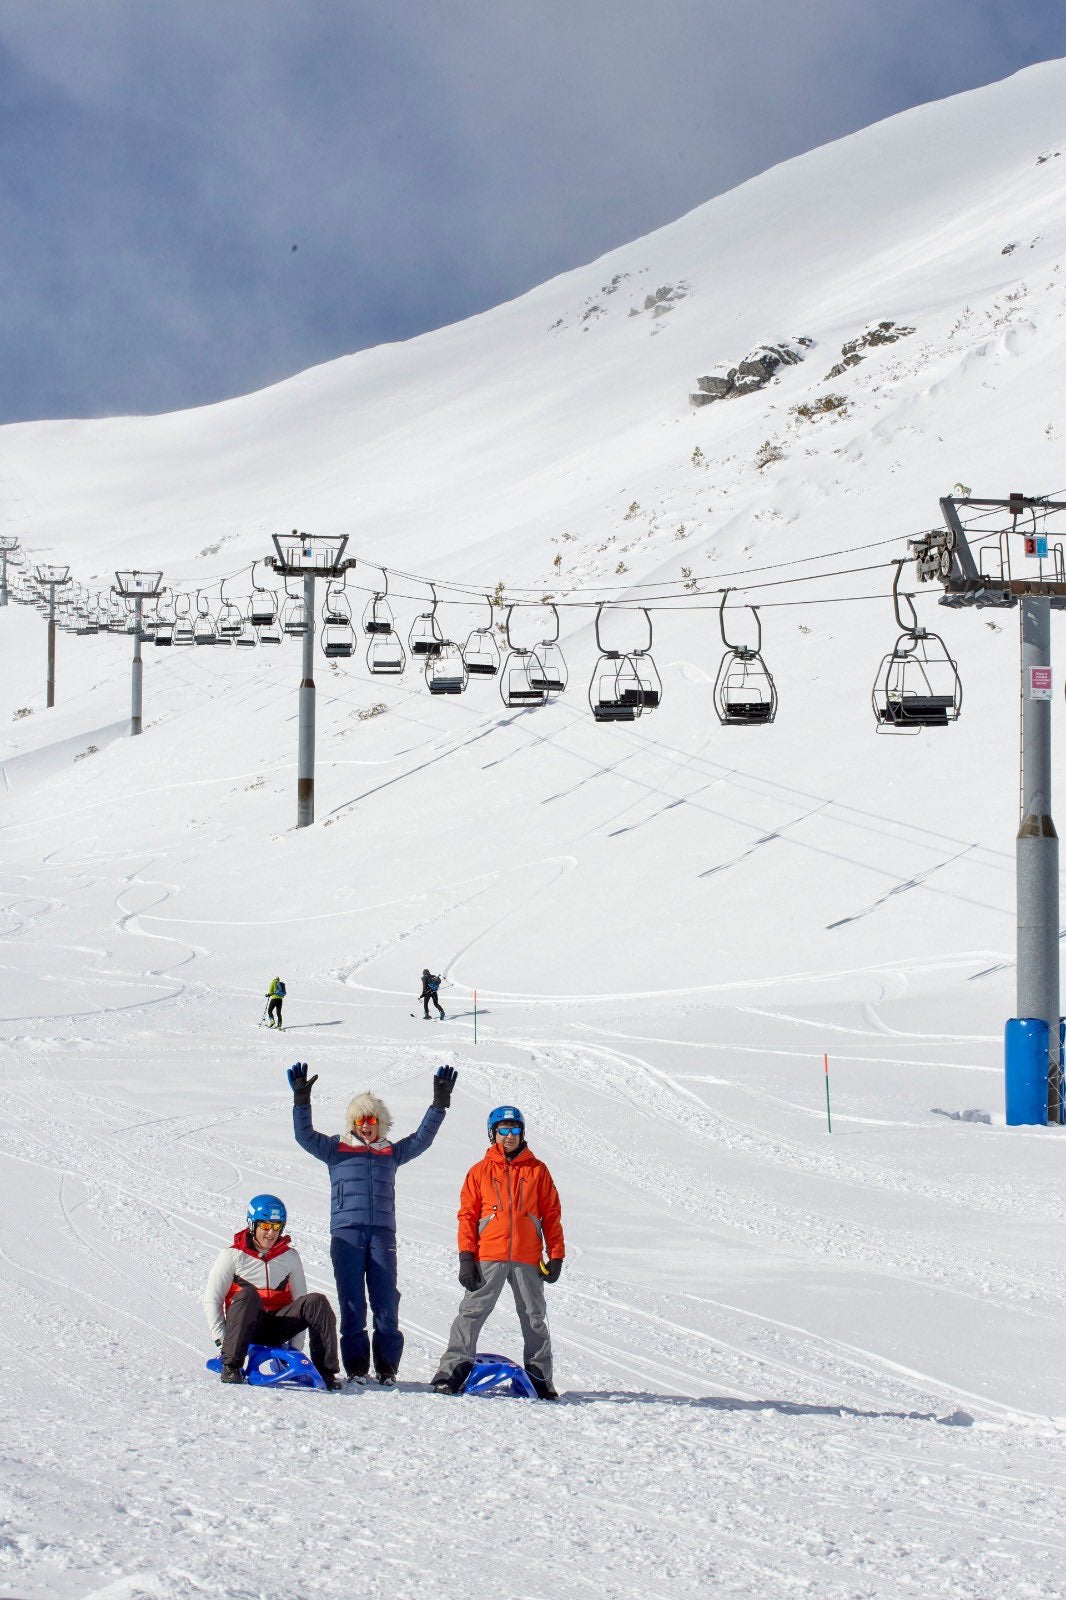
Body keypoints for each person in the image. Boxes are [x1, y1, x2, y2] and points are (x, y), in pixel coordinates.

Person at [288, 1060, 457, 1385]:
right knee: (351, 1302)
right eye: (361, 1119)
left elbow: (421, 1139)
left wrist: (439, 1105)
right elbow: (304, 1136)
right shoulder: (335, 1149)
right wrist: (301, 1103)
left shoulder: (391, 1153)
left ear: (381, 1124)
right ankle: (356, 1370)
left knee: (385, 1301)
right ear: (353, 1122)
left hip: (382, 1235)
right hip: (347, 1236)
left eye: (373, 1120)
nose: (367, 1125)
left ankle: (387, 1368)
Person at [430, 1104, 564, 1400]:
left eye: (515, 1129)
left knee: (533, 1316)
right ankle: (452, 1371)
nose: (509, 1136)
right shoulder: (479, 1172)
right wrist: (467, 1257)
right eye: (503, 1130)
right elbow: (467, 1216)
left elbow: (551, 1214)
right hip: (488, 1254)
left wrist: (555, 1255)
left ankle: (540, 1376)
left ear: (522, 1133)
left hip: (527, 1257)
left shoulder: (538, 1170)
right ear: (493, 1134)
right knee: (471, 1312)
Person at [203, 1193, 342, 1389]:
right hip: (245, 1328)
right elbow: (212, 1299)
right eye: (266, 1226)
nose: (271, 1233)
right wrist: (222, 1342)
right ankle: (231, 1366)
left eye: (277, 1227)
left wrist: (295, 1350)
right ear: (252, 1225)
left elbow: (299, 1299)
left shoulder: (290, 1257)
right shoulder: (232, 1256)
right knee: (248, 1294)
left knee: (316, 1301)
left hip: (278, 1327)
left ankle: (326, 1372)